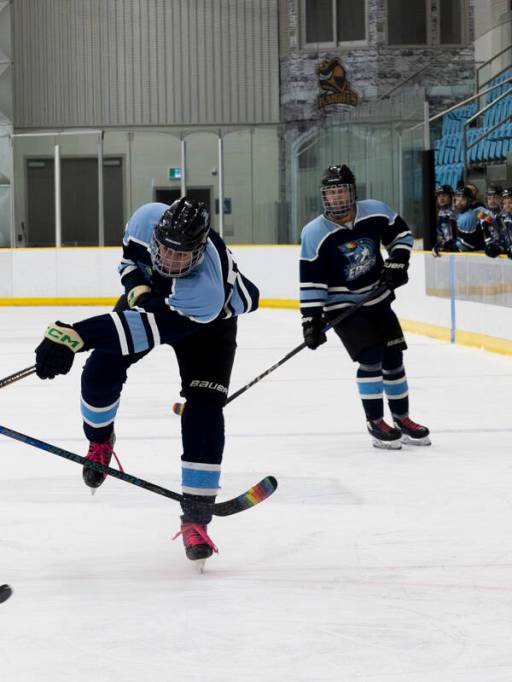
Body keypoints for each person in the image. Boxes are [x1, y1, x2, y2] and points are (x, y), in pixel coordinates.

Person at [33, 199, 260, 569]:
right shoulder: (144, 220)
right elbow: (128, 263)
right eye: (165, 250)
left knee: (203, 409)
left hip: (209, 324)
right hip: (155, 301)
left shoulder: (204, 291)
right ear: (156, 235)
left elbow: (139, 331)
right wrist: (138, 287)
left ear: (199, 252)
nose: (170, 261)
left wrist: (75, 335)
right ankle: (100, 439)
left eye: (182, 255)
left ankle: (197, 518)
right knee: (99, 372)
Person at [299, 165, 430, 449]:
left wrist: (397, 261)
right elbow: (311, 279)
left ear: (352, 191)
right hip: (342, 306)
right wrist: (311, 320)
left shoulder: (375, 211)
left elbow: (402, 235)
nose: (337, 197)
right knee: (371, 357)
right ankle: (375, 421)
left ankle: (402, 418)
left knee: (394, 358)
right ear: (325, 197)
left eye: (341, 190)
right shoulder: (314, 233)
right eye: (331, 193)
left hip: (378, 299)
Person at [453, 186, 490, 252]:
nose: (459, 202)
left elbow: (491, 221)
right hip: (465, 253)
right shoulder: (455, 214)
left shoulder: (477, 211)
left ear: (470, 200)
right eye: (457, 199)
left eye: (463, 199)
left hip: (480, 252)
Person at [485, 189, 512, 258]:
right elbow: (499, 238)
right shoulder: (499, 218)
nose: (507, 206)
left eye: (510, 202)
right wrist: (497, 248)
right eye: (504, 203)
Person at [432, 185, 457, 255]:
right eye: (439, 196)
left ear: (451, 197)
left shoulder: (454, 213)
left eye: (444, 195)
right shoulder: (440, 212)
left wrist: (444, 244)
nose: (441, 198)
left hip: (453, 249)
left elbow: (451, 237)